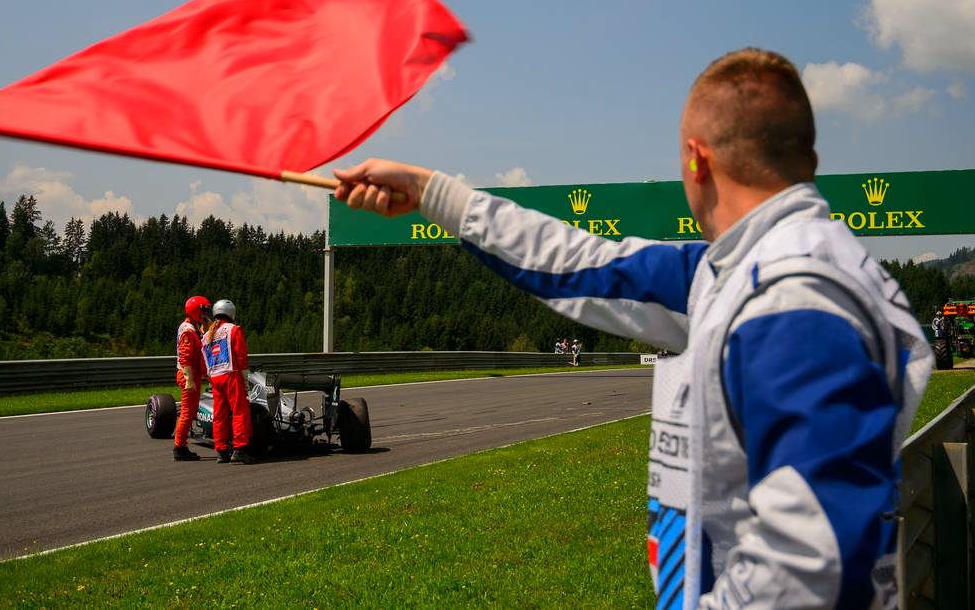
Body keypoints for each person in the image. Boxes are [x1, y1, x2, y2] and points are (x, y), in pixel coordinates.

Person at [334, 48, 932, 609]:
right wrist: (434, 194)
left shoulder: (794, 300)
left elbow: (812, 566)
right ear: (810, 161)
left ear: (697, 159)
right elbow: (577, 261)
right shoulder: (742, 271)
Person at [201, 298, 255, 464]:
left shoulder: (207, 335)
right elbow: (241, 356)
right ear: (231, 313)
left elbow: (204, 362)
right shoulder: (233, 330)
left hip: (215, 378)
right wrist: (246, 378)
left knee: (220, 414)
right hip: (231, 374)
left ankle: (221, 451)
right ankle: (239, 449)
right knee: (240, 411)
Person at [173, 295, 211, 461]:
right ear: (196, 310)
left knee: (190, 411)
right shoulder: (188, 331)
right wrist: (189, 379)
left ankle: (181, 446)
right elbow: (185, 357)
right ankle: (179, 447)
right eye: (203, 310)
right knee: (187, 413)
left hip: (192, 374)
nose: (206, 313)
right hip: (188, 375)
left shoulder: (190, 327)